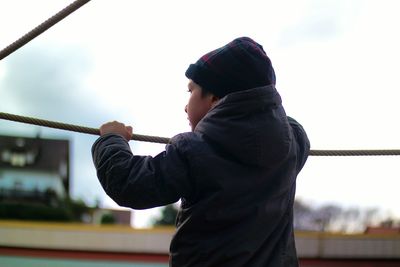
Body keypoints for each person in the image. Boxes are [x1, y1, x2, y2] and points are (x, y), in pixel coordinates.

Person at [92, 36, 310, 266]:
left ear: (215, 98)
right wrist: (262, 107)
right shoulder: (292, 144)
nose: (185, 106)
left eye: (191, 91)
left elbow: (129, 184)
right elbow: (289, 124)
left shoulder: (194, 151)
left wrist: (112, 138)